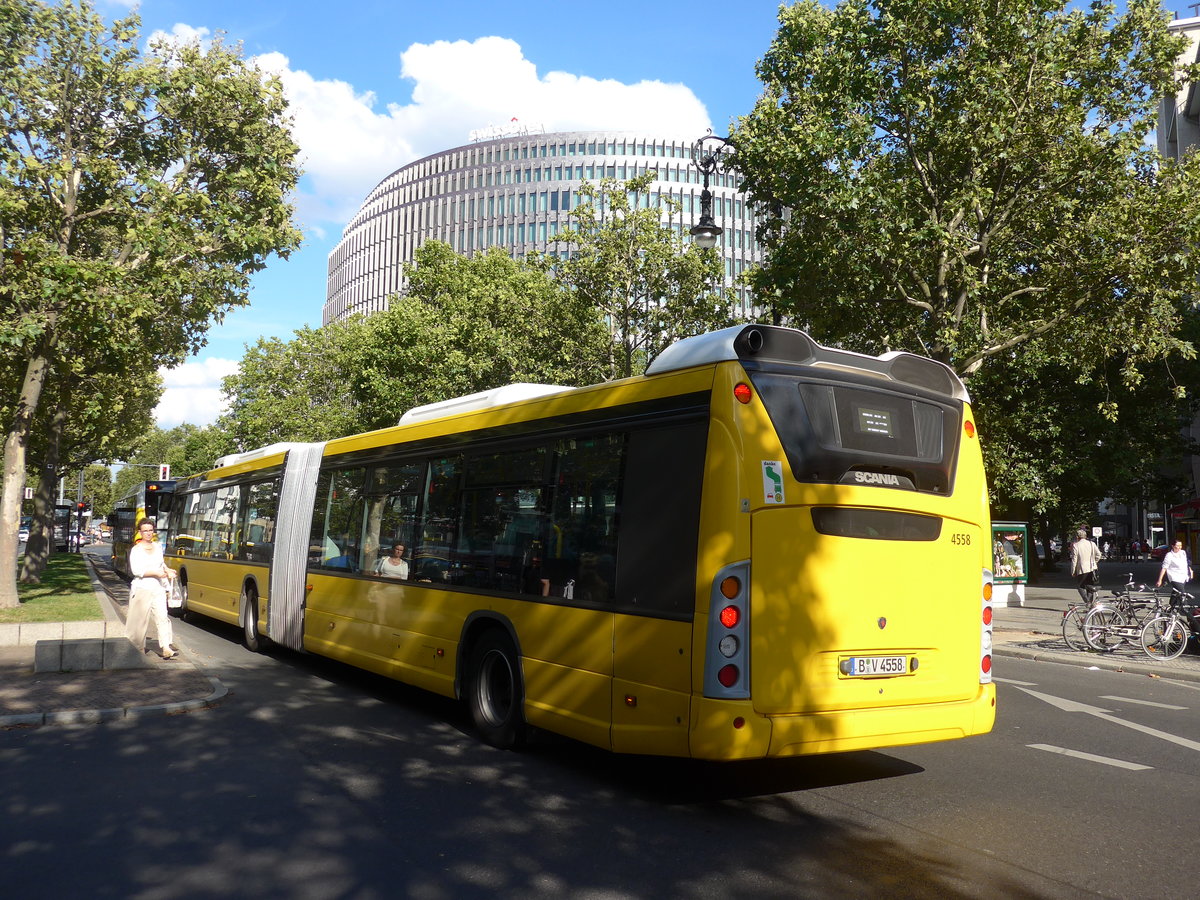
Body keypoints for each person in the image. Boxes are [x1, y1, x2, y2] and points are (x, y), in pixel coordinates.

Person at [126, 518, 177, 660]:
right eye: (145, 531)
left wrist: (168, 570)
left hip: (158, 587)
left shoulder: (158, 547)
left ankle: (166, 647)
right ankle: (137, 648)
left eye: (150, 530)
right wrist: (154, 573)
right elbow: (136, 571)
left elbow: (161, 564)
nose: (148, 533)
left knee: (162, 616)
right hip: (142, 587)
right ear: (140, 532)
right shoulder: (136, 550)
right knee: (140, 620)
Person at [1069, 529, 1101, 603]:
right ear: (1085, 536)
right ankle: (1091, 606)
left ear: (1077, 536)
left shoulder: (1076, 545)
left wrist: (1073, 571)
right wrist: (1094, 562)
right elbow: (1098, 555)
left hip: (1082, 569)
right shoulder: (1091, 543)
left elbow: (1074, 559)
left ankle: (1087, 602)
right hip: (1092, 568)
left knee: (1080, 586)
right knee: (1090, 587)